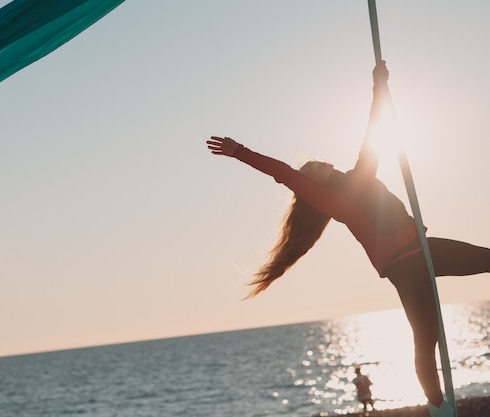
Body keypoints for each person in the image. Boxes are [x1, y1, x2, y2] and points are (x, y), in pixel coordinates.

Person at [206, 61, 490, 417]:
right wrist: (239, 151)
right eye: (310, 171)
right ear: (315, 185)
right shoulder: (331, 201)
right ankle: (438, 408)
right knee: (425, 341)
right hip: (405, 267)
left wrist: (379, 85)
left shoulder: (363, 171)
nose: (318, 167)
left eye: (317, 164)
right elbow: (282, 173)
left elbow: (375, 129)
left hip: (427, 251)